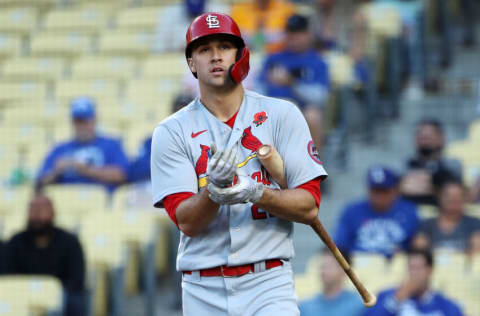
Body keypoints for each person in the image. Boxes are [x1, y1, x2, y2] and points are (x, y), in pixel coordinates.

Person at [150, 12, 327, 316]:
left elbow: (309, 205)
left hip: (268, 281)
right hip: (203, 288)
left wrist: (256, 192)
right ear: (191, 63)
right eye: (204, 49)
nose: (216, 56)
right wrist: (213, 192)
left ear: (240, 55)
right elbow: (187, 221)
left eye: (224, 46)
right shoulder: (171, 131)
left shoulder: (282, 114)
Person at [5, 194, 86, 316]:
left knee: (74, 300)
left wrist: (49, 293)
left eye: (42, 209)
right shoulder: (15, 242)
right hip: (21, 297)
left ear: (53, 212)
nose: (37, 214)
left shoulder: (69, 242)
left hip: (59, 299)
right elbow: (7, 277)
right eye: (33, 209)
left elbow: (76, 280)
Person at [258, 14, 329, 150]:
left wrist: (292, 83)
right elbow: (258, 88)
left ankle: (314, 167)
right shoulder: (273, 58)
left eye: (299, 34)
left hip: (302, 111)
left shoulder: (317, 61)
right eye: (291, 34)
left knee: (313, 116)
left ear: (308, 35)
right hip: (272, 110)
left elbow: (320, 97)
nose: (294, 38)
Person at [36, 97, 128, 193]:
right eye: (78, 121)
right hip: (65, 202)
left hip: (101, 203)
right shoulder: (60, 149)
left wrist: (85, 169)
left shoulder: (111, 145)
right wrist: (56, 172)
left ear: (94, 120)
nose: (82, 126)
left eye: (85, 121)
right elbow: (40, 182)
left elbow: (122, 175)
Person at [335, 166, 419, 257]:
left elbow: (417, 247)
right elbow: (340, 245)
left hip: (397, 268)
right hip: (359, 266)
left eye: (384, 191)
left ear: (395, 191)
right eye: (375, 191)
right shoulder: (352, 211)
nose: (379, 196)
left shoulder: (409, 211)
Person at [365, 248, 464, 316]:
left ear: (430, 270)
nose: (414, 273)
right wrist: (396, 299)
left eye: (418, 268)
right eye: (411, 268)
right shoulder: (388, 296)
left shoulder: (444, 304)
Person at [400, 119, 463, 205]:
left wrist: (430, 185)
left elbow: (453, 193)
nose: (424, 141)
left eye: (428, 137)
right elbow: (400, 189)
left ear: (441, 138)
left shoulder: (452, 164)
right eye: (421, 137)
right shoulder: (407, 163)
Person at [412, 181, 480, 253]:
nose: (453, 199)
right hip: (434, 264)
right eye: (448, 195)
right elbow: (419, 250)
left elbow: (477, 251)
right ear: (440, 197)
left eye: (458, 195)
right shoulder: (427, 224)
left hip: (464, 263)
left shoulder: (474, 223)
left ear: (465, 199)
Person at [299, 249, 364, 316]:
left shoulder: (359, 307)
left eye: (330, 267)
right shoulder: (304, 308)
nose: (324, 271)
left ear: (344, 271)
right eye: (322, 266)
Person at [154, 0, 229, 53]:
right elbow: (159, 49)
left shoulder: (220, 10)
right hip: (179, 62)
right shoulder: (169, 13)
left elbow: (226, 46)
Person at [231, 0, 295, 53]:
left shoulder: (286, 9)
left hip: (279, 55)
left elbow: (294, 36)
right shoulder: (239, 9)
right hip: (245, 55)